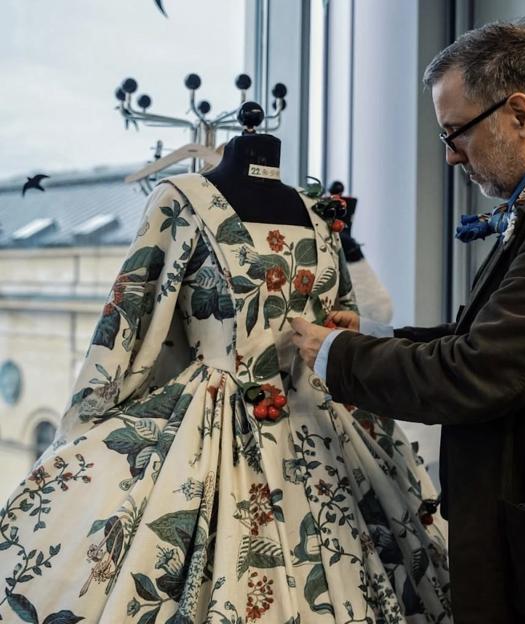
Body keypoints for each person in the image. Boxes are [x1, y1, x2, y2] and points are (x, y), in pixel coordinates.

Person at [0, 129, 452, 623]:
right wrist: (94, 420)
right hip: (214, 424)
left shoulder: (322, 216)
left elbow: (341, 318)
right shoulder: (182, 201)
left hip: (322, 428)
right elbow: (132, 315)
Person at [291, 18, 525, 623]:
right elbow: (499, 333)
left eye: (456, 133)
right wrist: (376, 338)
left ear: (520, 113)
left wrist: (334, 354)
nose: (449, 157)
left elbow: (480, 372)